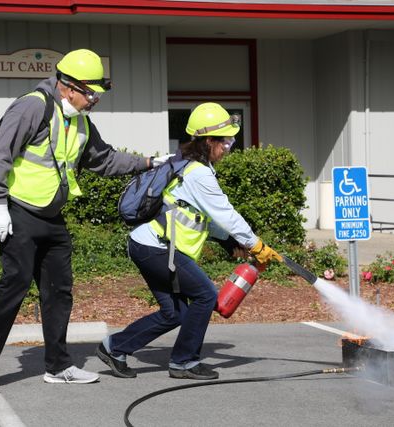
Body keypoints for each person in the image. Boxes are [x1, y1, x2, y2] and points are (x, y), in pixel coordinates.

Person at [0, 49, 164, 392]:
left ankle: (58, 366)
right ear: (68, 87)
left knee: (59, 291)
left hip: (51, 216)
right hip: (18, 210)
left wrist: (149, 163)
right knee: (15, 283)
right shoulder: (32, 107)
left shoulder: (80, 121)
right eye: (91, 93)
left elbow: (104, 160)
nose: (95, 100)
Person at [96, 102, 282, 380]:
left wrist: (228, 242)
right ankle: (184, 362)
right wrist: (256, 245)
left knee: (174, 313)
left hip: (149, 245)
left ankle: (114, 347)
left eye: (231, 141)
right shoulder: (199, 174)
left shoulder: (191, 168)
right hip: (157, 247)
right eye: (225, 141)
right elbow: (226, 214)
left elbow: (196, 216)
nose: (228, 147)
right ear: (208, 141)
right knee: (206, 295)